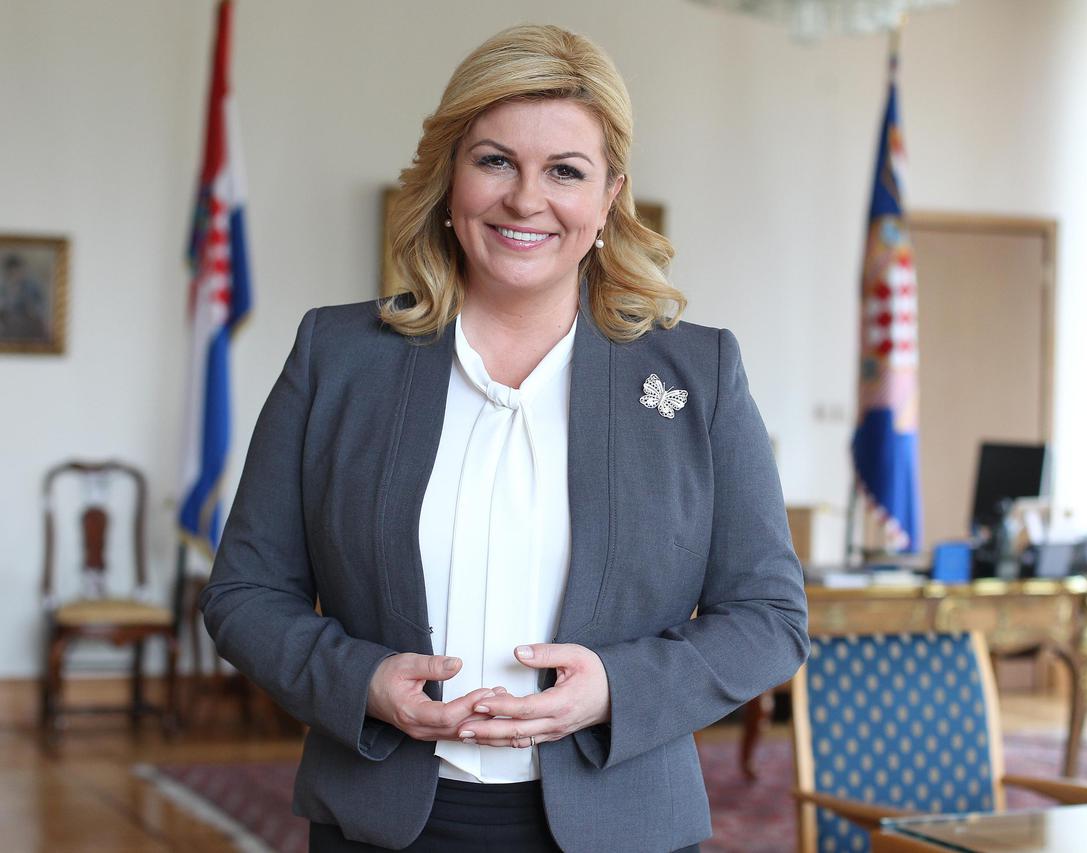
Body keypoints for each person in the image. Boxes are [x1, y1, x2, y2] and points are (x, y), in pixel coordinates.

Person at [200, 24, 808, 853]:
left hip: (625, 827)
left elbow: (770, 617)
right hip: (380, 824)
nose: (526, 199)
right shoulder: (335, 357)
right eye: (495, 161)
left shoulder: (700, 373)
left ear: (609, 196)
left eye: (565, 171)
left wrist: (614, 687)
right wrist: (364, 682)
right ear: (449, 176)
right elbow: (243, 593)